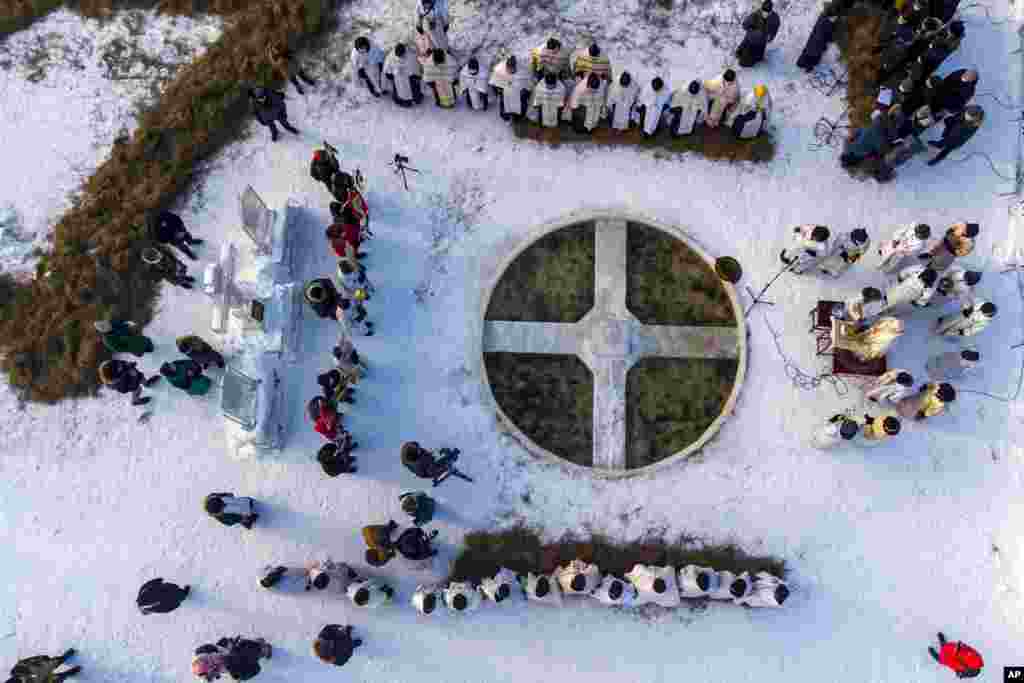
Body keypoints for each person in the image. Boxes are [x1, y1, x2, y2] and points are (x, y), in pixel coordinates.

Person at [835, 317, 905, 362]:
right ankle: (839, 335)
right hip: (865, 340)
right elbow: (874, 327)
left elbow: (871, 337)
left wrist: (836, 322)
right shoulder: (887, 324)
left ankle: (838, 337)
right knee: (847, 334)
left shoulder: (887, 336)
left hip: (867, 348)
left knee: (845, 341)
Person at [489, 55, 534, 121]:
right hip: (506, 94)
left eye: (512, 68)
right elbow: (494, 83)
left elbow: (528, 85)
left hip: (518, 95)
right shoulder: (500, 71)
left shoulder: (522, 73)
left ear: (515, 66)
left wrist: (525, 92)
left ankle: (519, 116)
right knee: (504, 102)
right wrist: (498, 90)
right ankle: (505, 115)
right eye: (508, 68)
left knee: (521, 103)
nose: (510, 70)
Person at [797, 1, 838, 71]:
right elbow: (831, 38)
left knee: (803, 62)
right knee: (810, 61)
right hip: (816, 49)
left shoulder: (823, 17)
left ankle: (805, 68)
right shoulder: (829, 23)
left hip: (812, 46)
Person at [737, 0, 780, 67]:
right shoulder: (755, 15)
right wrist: (753, 30)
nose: (765, 12)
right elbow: (744, 25)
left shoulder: (775, 18)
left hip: (761, 44)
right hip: (749, 41)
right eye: (764, 10)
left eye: (767, 11)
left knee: (752, 61)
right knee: (739, 55)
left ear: (771, 11)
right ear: (761, 8)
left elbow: (774, 31)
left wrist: (770, 37)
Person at [383, 43, 422, 107]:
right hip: (397, 77)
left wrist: (417, 75)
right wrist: (388, 73)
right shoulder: (391, 55)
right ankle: (400, 100)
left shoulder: (410, 55)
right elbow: (387, 65)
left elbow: (415, 66)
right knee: (399, 89)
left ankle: (416, 99)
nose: (400, 57)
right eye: (399, 56)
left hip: (409, 77)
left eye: (401, 55)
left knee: (413, 88)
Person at [8, 650, 81, 683]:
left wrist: (41, 658)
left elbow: (26, 662)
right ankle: (70, 672)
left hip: (37, 670)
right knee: (58, 678)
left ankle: (65, 657)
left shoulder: (17, 670)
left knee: (53, 663)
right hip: (41, 680)